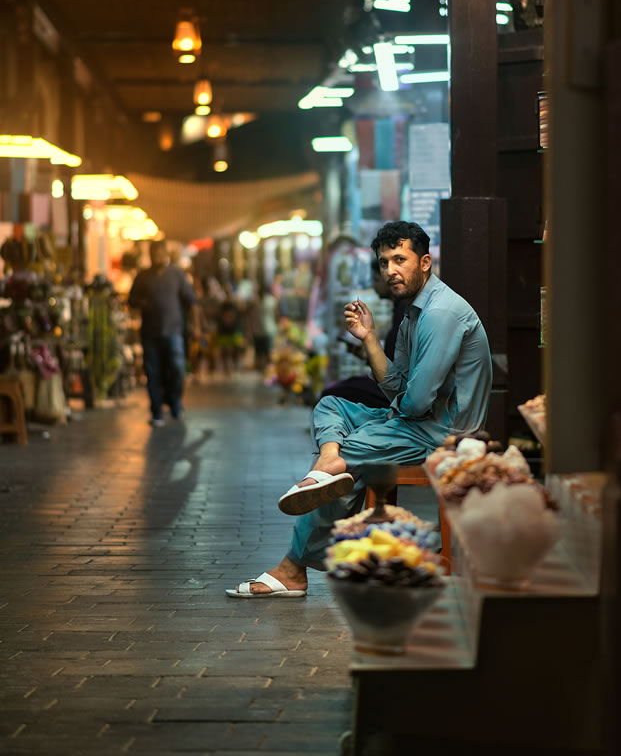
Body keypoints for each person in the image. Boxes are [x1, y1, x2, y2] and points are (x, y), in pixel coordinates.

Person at [226, 220, 493, 598]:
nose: (391, 271)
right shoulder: (413, 312)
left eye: (400, 259)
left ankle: (293, 566)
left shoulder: (440, 313)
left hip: (443, 433)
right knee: (332, 405)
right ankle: (328, 462)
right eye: (384, 262)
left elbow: (414, 403)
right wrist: (368, 338)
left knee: (355, 451)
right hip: (413, 421)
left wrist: (389, 416)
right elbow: (397, 386)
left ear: (425, 262)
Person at [318, 256, 406, 409]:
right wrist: (368, 353)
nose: (373, 285)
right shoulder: (399, 307)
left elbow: (394, 368)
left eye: (376, 279)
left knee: (331, 395)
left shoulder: (405, 310)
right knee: (340, 389)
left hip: (397, 390)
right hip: (390, 383)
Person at [128, 240, 199, 426]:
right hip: (150, 332)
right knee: (153, 372)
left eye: (160, 253)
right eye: (154, 254)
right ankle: (156, 410)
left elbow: (192, 302)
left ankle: (175, 402)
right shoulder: (143, 276)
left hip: (174, 330)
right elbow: (132, 300)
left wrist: (197, 327)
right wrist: (141, 304)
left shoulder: (176, 274)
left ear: (166, 254)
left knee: (177, 368)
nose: (157, 257)